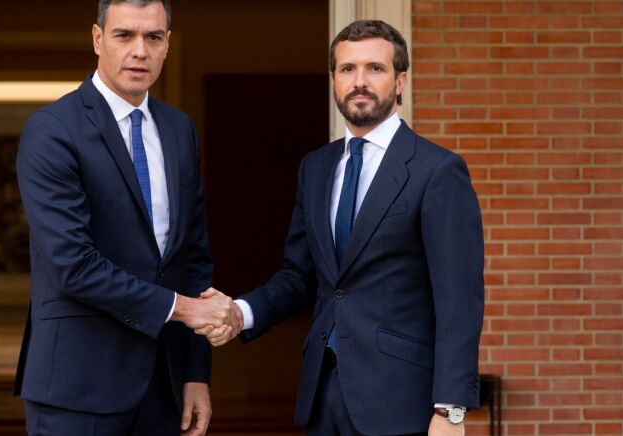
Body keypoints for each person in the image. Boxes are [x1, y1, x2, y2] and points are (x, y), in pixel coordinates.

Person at [200, 20, 484, 436]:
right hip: (322, 397)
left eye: (375, 68)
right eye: (347, 69)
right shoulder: (316, 167)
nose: (359, 81)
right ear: (334, 79)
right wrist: (241, 313)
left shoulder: (438, 171)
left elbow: (459, 299)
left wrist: (450, 409)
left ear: (400, 81)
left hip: (403, 403)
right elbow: (300, 276)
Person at [13, 1, 234, 435]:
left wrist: (195, 373)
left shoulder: (179, 130)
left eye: (153, 37)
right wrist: (185, 309)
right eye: (124, 35)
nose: (140, 51)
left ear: (167, 45)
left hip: (163, 384)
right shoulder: (52, 130)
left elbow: (192, 258)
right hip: (77, 386)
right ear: (98, 39)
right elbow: (73, 265)